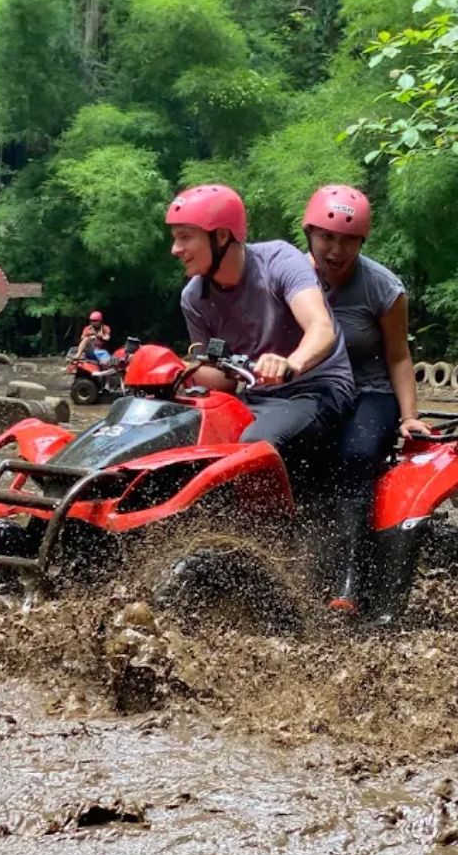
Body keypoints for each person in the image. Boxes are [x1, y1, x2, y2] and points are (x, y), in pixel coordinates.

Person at [302, 184, 432, 615]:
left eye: (348, 240)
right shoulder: (290, 278)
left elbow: (398, 356)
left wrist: (409, 416)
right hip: (312, 390)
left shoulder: (382, 287)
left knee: (356, 457)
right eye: (327, 237)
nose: (335, 250)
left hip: (369, 392)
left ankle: (352, 578)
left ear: (361, 242)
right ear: (309, 234)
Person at [167, 183, 354, 465]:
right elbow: (222, 382)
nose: (175, 249)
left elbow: (321, 328)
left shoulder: (279, 260)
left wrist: (291, 363)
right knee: (185, 437)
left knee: (252, 445)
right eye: (175, 239)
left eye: (185, 237)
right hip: (258, 396)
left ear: (221, 236)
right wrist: (175, 369)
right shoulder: (193, 298)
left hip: (318, 388)